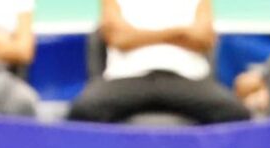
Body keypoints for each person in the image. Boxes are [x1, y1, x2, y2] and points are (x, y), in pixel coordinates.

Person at [69, 0, 250, 124]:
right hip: (127, 80)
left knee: (236, 113)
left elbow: (204, 37)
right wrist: (180, 33)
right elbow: (118, 38)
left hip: (187, 80)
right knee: (81, 111)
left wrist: (137, 35)